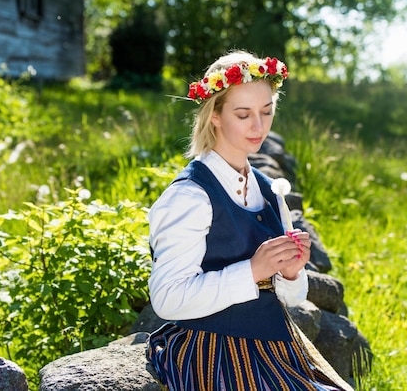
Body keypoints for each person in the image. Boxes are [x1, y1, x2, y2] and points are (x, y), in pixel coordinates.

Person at [145, 50, 352, 390]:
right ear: (215, 115)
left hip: (276, 350)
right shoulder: (190, 197)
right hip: (213, 353)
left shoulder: (269, 190)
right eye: (243, 115)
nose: (259, 127)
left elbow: (291, 298)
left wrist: (289, 271)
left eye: (266, 111)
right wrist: (253, 270)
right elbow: (167, 299)